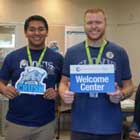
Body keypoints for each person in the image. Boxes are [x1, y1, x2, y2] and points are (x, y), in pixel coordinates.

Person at [59, 8, 134, 140]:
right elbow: (63, 83)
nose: (94, 26)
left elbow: (129, 86)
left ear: (105, 23)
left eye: (98, 22)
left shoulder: (119, 52)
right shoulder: (72, 52)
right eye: (89, 23)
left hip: (111, 127)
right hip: (80, 126)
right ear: (84, 25)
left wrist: (121, 94)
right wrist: (64, 94)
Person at [0, 15, 63, 140]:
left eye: (41, 29)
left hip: (45, 123)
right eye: (32, 29)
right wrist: (4, 89)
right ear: (26, 32)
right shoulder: (13, 57)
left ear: (46, 32)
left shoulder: (57, 58)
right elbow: (1, 82)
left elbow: (64, 85)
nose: (37, 33)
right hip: (16, 122)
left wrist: (57, 92)